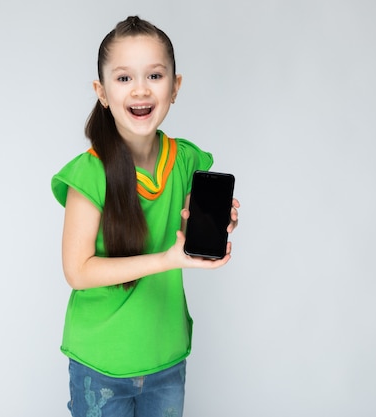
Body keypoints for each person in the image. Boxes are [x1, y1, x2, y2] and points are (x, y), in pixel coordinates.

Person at [51, 15, 240, 417]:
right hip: (101, 364)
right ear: (101, 93)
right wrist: (166, 261)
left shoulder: (187, 159)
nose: (140, 89)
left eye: (155, 75)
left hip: (165, 357)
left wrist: (212, 227)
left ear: (176, 87)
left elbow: (184, 237)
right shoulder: (89, 173)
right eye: (123, 79)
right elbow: (78, 271)